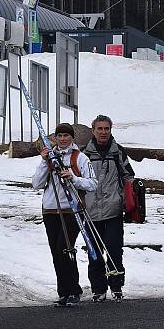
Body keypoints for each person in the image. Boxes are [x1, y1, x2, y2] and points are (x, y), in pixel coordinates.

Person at [32, 123, 97, 307]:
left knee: (65, 248)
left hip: (72, 209)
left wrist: (74, 178)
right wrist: (45, 162)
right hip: (51, 209)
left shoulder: (80, 158)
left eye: (66, 136)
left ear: (72, 137)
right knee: (56, 251)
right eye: (59, 136)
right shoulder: (50, 156)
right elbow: (36, 183)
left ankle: (73, 291)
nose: (62, 139)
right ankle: (63, 292)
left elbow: (93, 183)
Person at [83, 114, 134, 302]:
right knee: (94, 253)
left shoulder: (117, 152)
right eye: (100, 129)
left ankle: (116, 286)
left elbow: (129, 177)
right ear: (93, 130)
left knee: (114, 250)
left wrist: (126, 200)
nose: (103, 132)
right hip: (90, 212)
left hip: (113, 210)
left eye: (107, 129)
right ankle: (98, 289)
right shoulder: (84, 154)